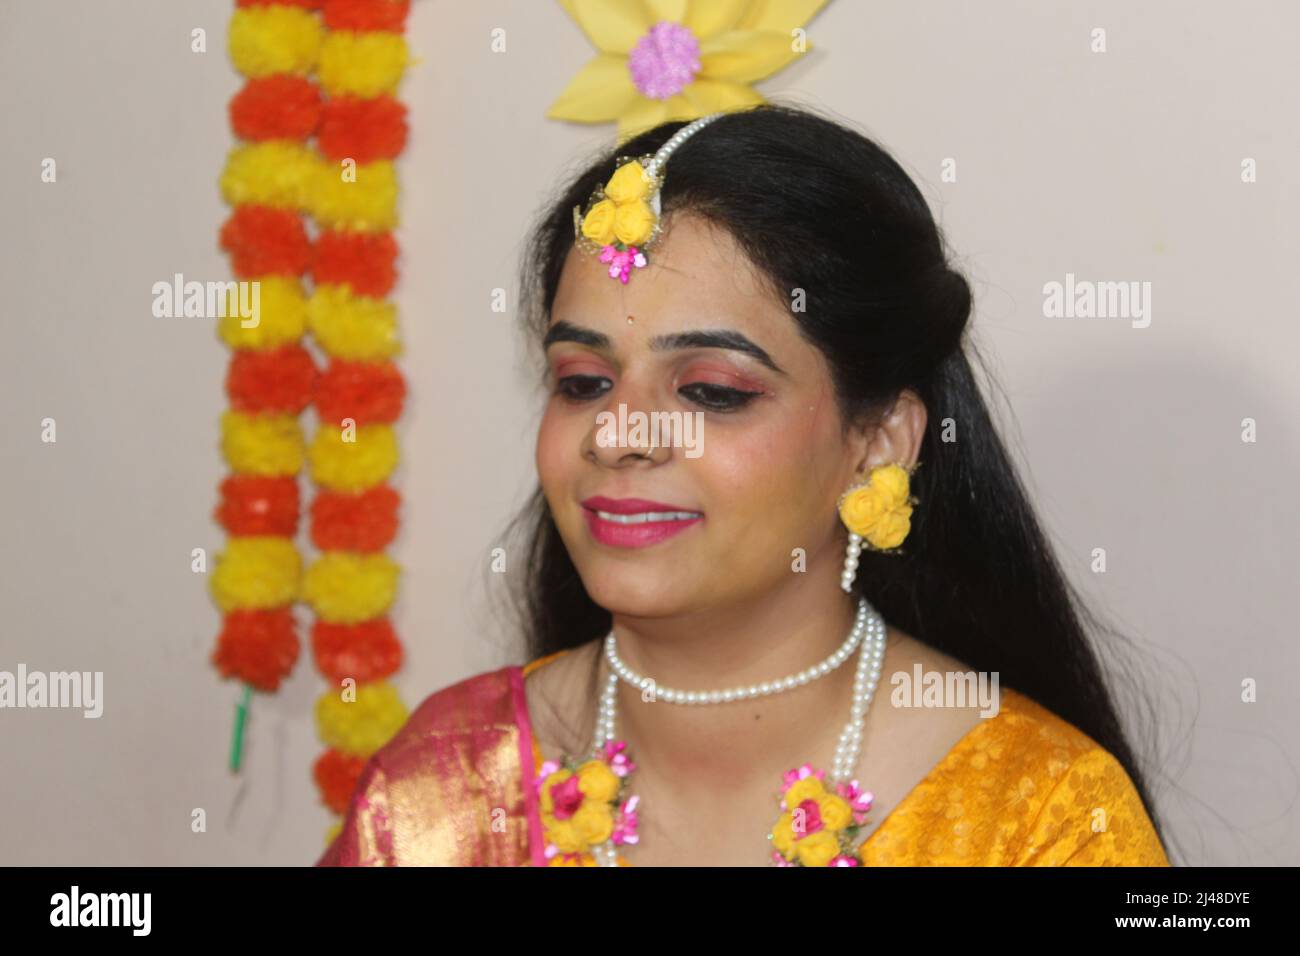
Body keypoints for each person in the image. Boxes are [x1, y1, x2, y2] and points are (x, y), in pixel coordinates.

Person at [317, 104, 1170, 867]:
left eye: (712, 392)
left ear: (877, 441)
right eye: (582, 381)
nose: (619, 435)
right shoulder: (444, 788)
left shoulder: (1041, 821)